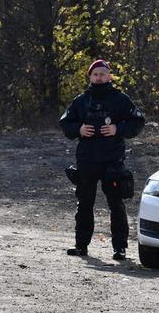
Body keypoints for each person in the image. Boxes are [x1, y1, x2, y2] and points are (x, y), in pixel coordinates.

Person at [59, 59, 145, 260]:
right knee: (85, 204)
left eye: (102, 74)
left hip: (112, 159)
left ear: (109, 76)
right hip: (87, 160)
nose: (99, 77)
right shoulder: (81, 100)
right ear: (90, 76)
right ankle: (81, 246)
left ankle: (120, 248)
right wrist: (78, 129)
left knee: (116, 204)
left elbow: (138, 121)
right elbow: (65, 123)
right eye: (95, 74)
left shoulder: (120, 99)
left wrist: (118, 128)